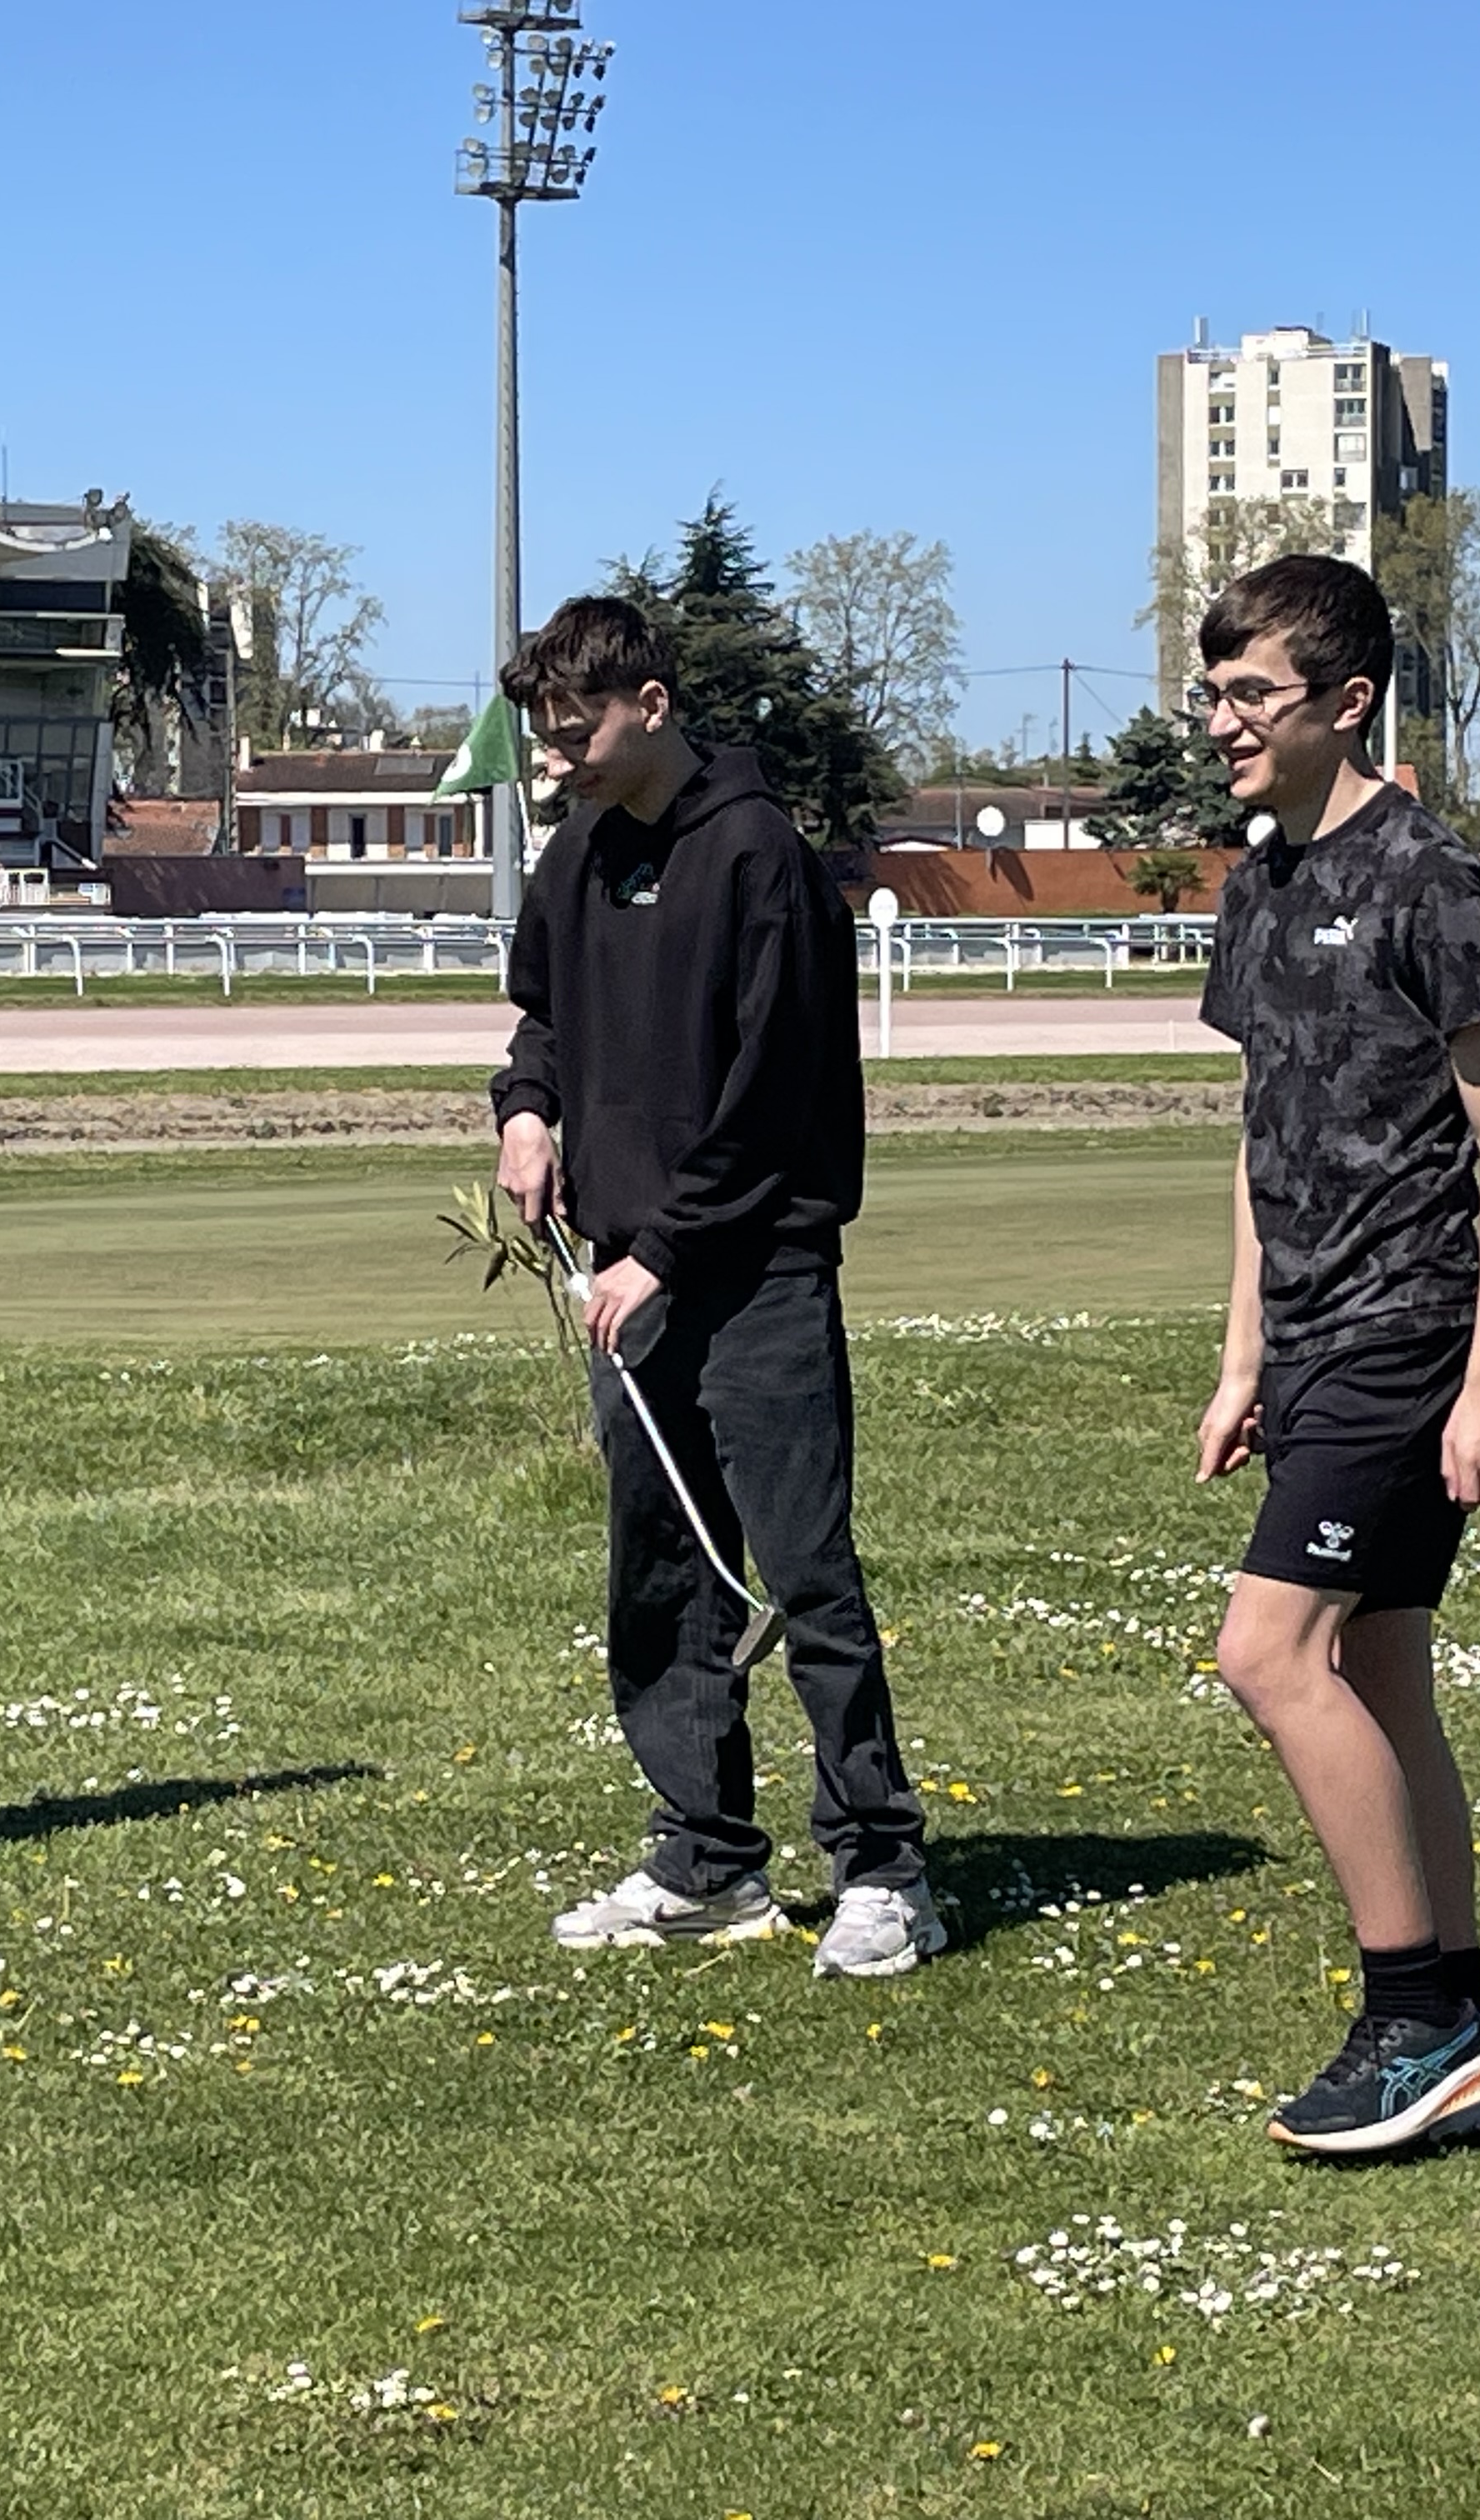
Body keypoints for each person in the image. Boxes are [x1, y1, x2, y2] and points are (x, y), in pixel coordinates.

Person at [489, 593, 939, 1978]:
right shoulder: (578, 850)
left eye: (575, 731)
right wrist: (527, 1111)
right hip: (632, 1279)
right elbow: (544, 1017)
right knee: (662, 1580)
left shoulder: (760, 857)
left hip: (755, 1276)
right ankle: (705, 1858)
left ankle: (883, 1868)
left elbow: (772, 1097)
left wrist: (662, 1252)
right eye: (543, 734)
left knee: (804, 1578)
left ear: (653, 705)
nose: (554, 758)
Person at [1191, 554, 1480, 2156]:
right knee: (1383, 1667)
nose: (1223, 722)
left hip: (1410, 1328)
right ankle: (1465, 2028)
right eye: (1211, 694)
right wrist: (1242, 1357)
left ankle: (1414, 2024)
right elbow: (1261, 1137)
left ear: (1346, 704)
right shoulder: (1255, 883)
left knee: (1269, 1654)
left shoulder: (1426, 874)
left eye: (1251, 694)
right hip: (1312, 1338)